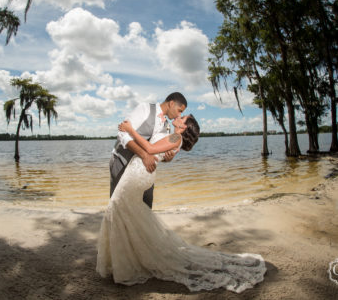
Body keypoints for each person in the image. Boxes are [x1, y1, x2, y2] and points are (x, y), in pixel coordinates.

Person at [97, 114, 266, 293]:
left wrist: (130, 130)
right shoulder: (174, 136)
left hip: (139, 173)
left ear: (184, 127)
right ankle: (127, 260)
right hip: (141, 172)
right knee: (128, 212)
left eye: (182, 117)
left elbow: (150, 148)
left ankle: (125, 263)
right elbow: (162, 151)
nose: (178, 116)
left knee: (118, 206)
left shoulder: (176, 137)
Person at [110, 92, 187, 209]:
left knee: (146, 206)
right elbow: (122, 133)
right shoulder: (144, 108)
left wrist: (168, 159)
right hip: (122, 161)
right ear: (171, 103)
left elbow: (157, 152)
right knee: (119, 205)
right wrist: (144, 155)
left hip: (145, 170)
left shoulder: (167, 127)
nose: (179, 115)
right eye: (179, 110)